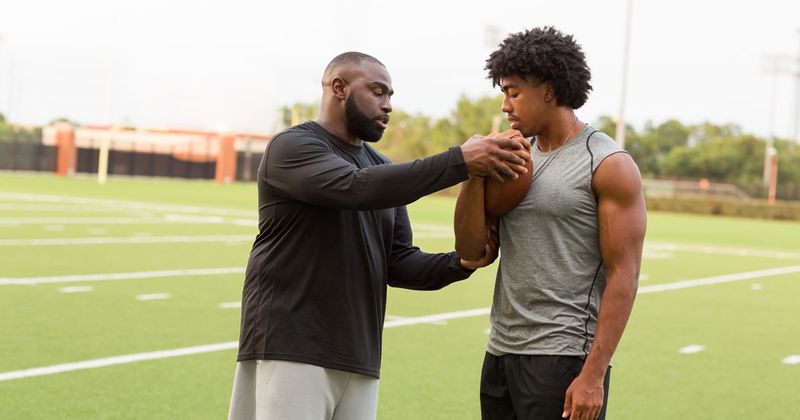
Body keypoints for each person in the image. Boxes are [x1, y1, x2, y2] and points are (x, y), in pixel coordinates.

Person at [228, 51, 531, 420]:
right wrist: (460, 161)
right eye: (377, 92)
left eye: (390, 96)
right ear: (339, 88)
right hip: (291, 347)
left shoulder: (380, 167)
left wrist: (460, 263)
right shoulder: (292, 147)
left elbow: (398, 262)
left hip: (359, 355)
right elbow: (356, 188)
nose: (388, 106)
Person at [454, 27, 647, 420]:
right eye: (503, 93)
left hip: (563, 357)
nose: (506, 105)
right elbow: (472, 251)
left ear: (548, 89)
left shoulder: (607, 163)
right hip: (501, 351)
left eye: (513, 92)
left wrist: (593, 375)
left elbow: (624, 274)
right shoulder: (511, 158)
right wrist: (472, 174)